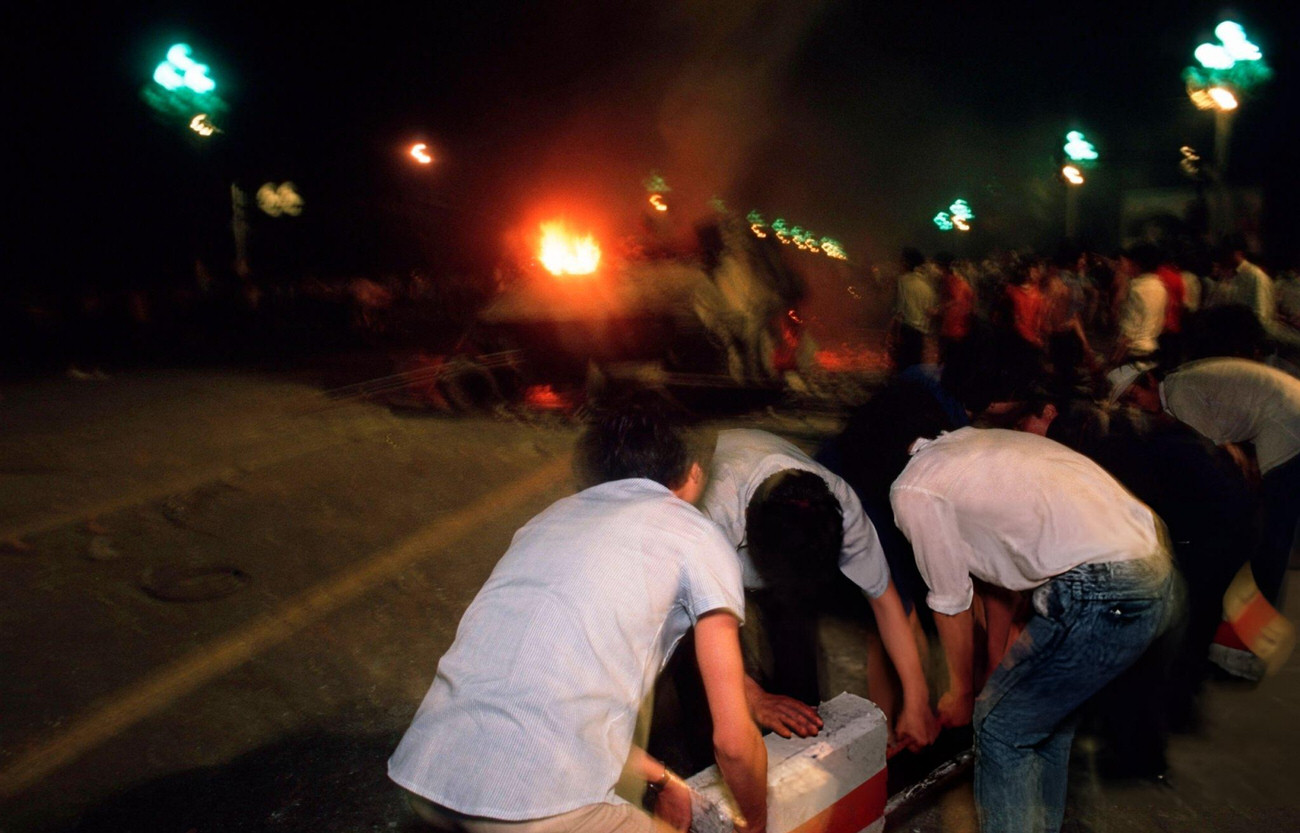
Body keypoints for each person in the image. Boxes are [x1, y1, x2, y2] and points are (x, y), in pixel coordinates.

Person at [388, 394, 767, 833]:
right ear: (694, 471)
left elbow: (543, 697)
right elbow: (734, 743)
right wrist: (756, 824)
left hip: (424, 777)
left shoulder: (545, 522)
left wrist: (662, 778)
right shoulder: (694, 533)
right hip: (533, 808)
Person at [889, 426, 1176, 833]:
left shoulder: (914, 489)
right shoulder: (970, 451)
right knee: (1044, 725)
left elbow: (951, 602)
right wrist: (996, 667)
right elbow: (1000, 585)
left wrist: (962, 692)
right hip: (1154, 573)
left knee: (1000, 730)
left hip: (1100, 588)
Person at [699, 428, 938, 752]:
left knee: (795, 650)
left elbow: (886, 604)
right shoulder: (712, 515)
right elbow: (694, 625)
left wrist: (916, 700)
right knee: (717, 699)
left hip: (781, 537)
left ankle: (800, 746)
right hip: (708, 543)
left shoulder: (839, 508)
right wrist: (753, 696)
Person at [1118, 357, 1300, 607]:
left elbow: (1219, 457)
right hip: (1284, 411)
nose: (1134, 407)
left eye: (1133, 396)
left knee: (1277, 523)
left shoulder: (1180, 394)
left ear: (1149, 380)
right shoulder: (1179, 385)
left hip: (1285, 421)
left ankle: (1262, 601)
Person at [1110, 244, 1167, 365]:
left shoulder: (1137, 289)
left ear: (1137, 264)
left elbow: (1128, 333)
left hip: (1135, 353)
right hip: (1152, 350)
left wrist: (1115, 359)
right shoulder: (1161, 287)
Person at [889, 248, 937, 372]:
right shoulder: (927, 283)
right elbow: (929, 310)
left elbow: (899, 311)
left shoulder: (902, 281)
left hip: (907, 329)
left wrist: (891, 334)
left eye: (901, 261)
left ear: (906, 263)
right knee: (916, 366)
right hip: (921, 333)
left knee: (902, 366)